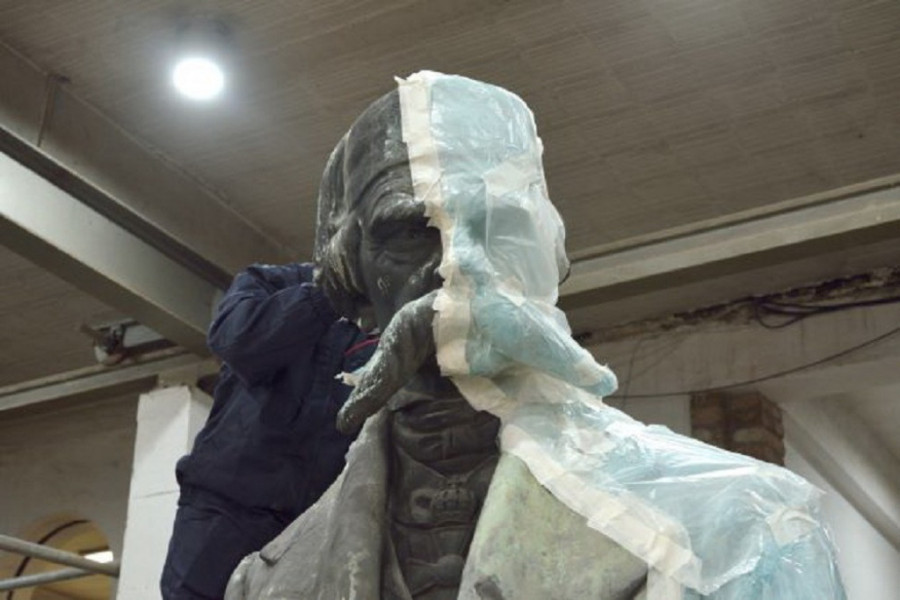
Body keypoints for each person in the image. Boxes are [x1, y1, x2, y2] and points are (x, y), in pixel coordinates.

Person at [227, 72, 845, 600]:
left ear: (547, 257)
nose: (459, 267)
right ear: (354, 281)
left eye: (499, 225)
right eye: (412, 232)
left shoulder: (747, 527)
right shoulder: (261, 585)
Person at [160, 262, 377, 600]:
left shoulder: (393, 323)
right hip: (226, 509)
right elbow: (237, 342)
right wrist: (330, 296)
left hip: (309, 531)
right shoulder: (272, 282)